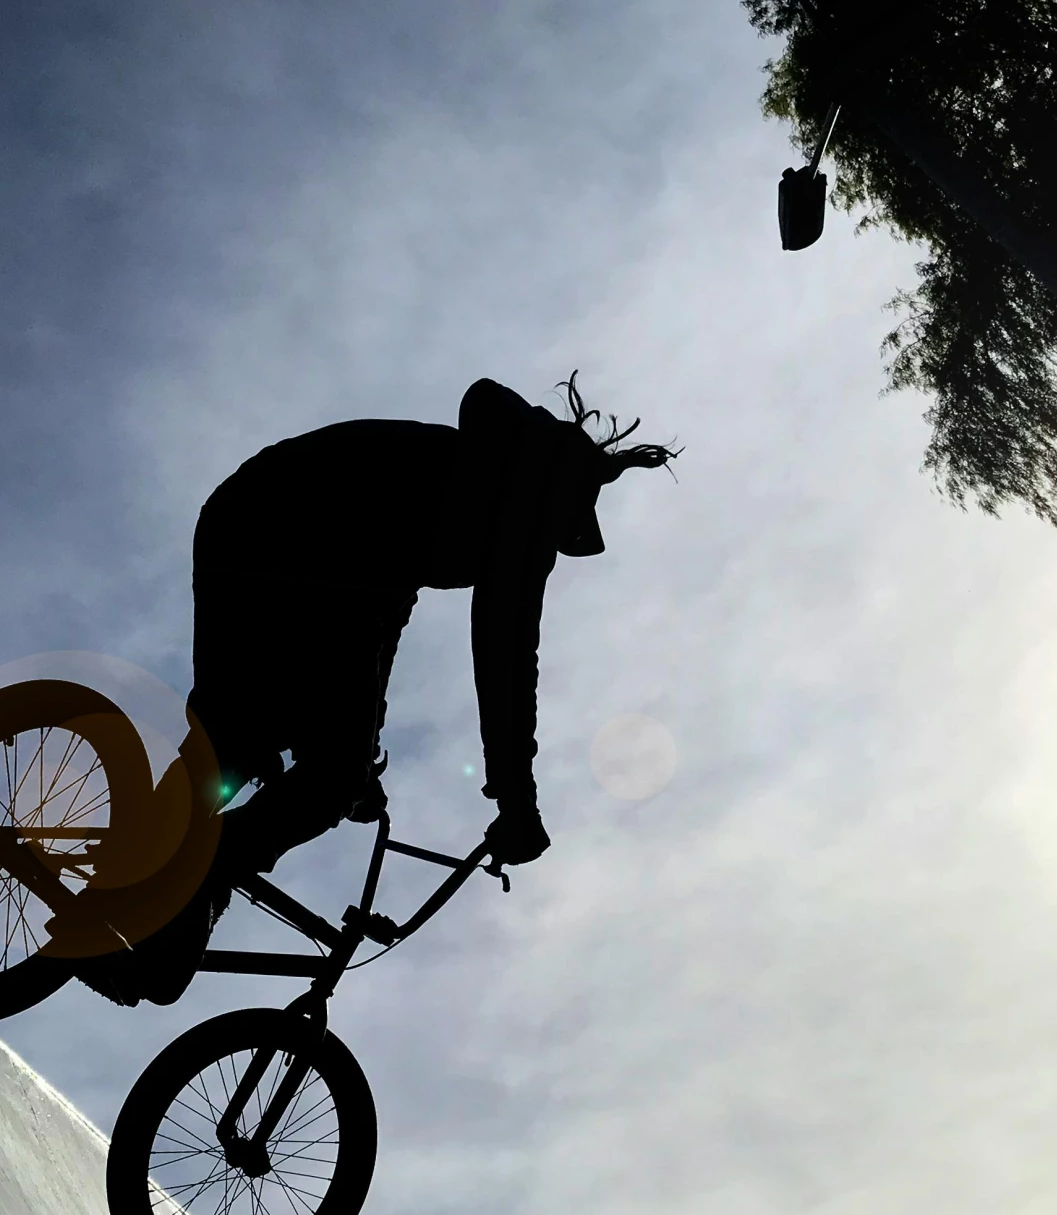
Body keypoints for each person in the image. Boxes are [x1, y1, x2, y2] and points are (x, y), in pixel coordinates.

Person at [80, 374, 674, 1006]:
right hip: (299, 549)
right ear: (566, 496)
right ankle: (191, 881)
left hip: (246, 522)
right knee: (325, 775)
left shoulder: (458, 476)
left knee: (238, 738)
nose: (554, 548)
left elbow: (383, 614)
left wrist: (366, 743)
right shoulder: (518, 514)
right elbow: (504, 653)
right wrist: (515, 799)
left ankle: (122, 883)